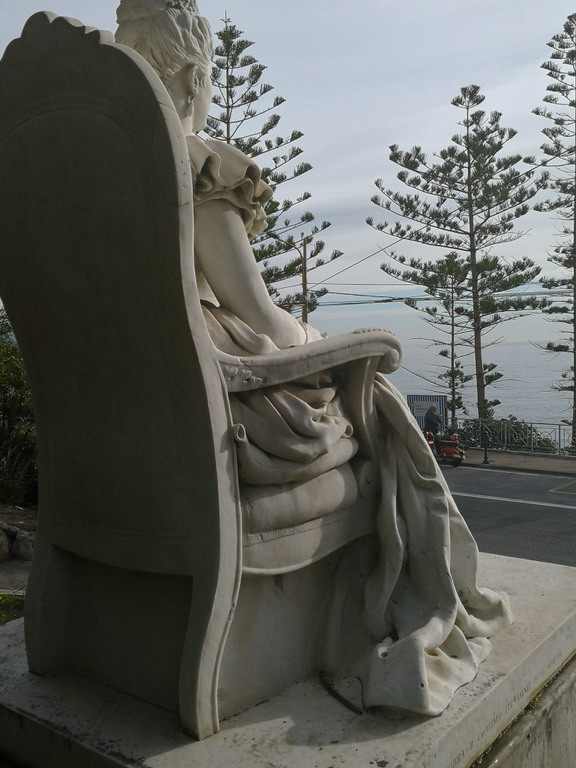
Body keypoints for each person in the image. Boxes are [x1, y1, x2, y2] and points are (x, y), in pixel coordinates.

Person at [115, 0, 512, 717]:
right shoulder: (191, 170)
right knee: (378, 400)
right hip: (220, 412)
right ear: (196, 75)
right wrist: (315, 337)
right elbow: (261, 319)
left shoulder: (80, 173)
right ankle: (387, 598)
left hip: (125, 426)